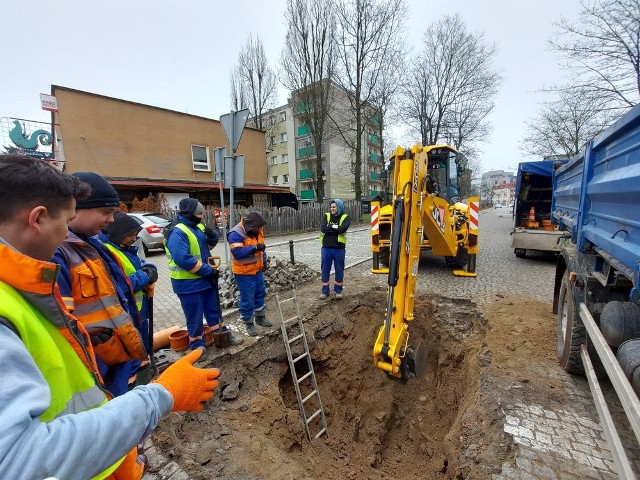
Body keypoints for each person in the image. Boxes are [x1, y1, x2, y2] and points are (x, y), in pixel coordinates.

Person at [0, 154, 220, 480]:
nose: (64, 235)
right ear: (37, 219)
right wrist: (159, 397)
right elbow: (19, 460)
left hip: (94, 435)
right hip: (101, 389)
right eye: (66, 221)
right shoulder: (29, 286)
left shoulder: (32, 276)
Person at [52, 171, 151, 397]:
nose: (111, 220)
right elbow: (63, 322)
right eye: (105, 212)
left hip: (113, 353)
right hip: (96, 365)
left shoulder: (94, 246)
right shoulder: (58, 254)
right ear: (74, 208)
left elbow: (117, 289)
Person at [164, 198, 243, 356]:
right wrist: (208, 270)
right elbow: (183, 259)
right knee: (195, 317)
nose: (201, 216)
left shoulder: (197, 226)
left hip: (205, 281)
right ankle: (197, 347)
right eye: (199, 213)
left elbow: (207, 246)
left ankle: (223, 337)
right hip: (188, 284)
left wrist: (212, 236)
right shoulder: (177, 231)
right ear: (189, 213)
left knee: (214, 311)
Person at [101, 211, 159, 385]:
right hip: (126, 312)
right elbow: (120, 285)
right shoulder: (108, 253)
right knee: (132, 353)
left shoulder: (124, 249)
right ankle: (135, 386)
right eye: (131, 235)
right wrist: (145, 276)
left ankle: (144, 377)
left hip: (138, 311)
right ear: (119, 233)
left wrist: (149, 269)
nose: (134, 239)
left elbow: (141, 264)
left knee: (142, 347)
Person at [227, 211, 272, 337]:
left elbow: (261, 248)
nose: (260, 230)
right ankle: (249, 322)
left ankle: (260, 317)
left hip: (257, 270)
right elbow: (237, 253)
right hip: (244, 272)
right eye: (257, 228)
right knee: (247, 298)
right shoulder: (235, 234)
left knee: (260, 293)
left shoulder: (257, 230)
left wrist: (264, 260)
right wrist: (255, 248)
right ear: (250, 226)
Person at [319, 199, 351, 299]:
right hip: (326, 248)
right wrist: (336, 228)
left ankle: (338, 290)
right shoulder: (327, 216)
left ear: (339, 207)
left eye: (334, 207)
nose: (332, 209)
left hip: (339, 249)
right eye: (331, 207)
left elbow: (343, 229)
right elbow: (323, 228)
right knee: (325, 269)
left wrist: (331, 226)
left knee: (339, 269)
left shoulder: (346, 217)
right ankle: (325, 291)